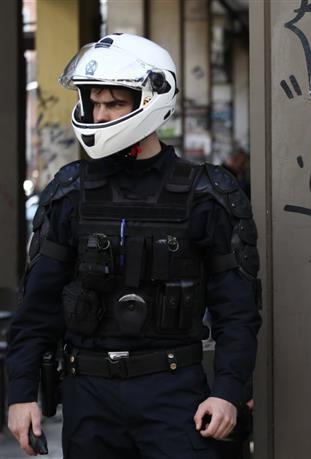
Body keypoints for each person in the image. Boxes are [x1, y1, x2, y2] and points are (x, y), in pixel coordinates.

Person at [6, 33, 261, 459]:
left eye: (114, 104)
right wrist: (20, 393)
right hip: (89, 397)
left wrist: (228, 391)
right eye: (95, 103)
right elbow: (37, 307)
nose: (100, 115)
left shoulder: (206, 194)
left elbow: (237, 311)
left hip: (174, 394)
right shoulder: (70, 191)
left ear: (151, 100)